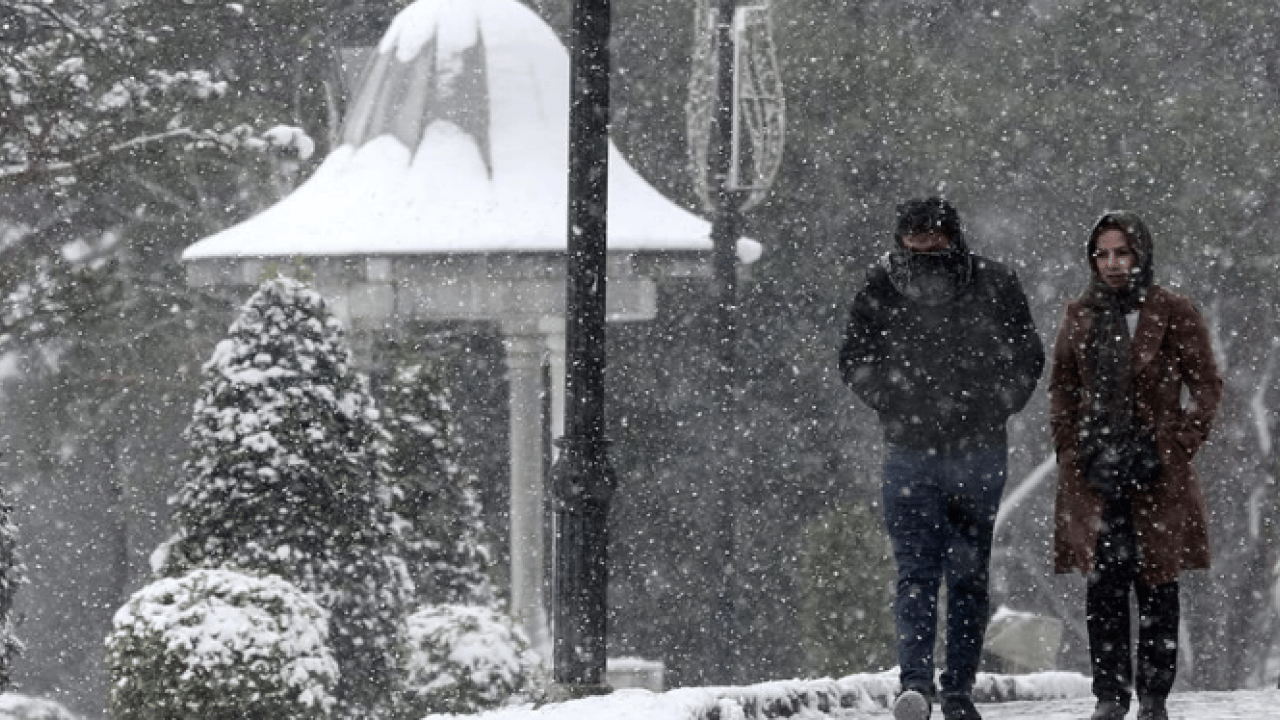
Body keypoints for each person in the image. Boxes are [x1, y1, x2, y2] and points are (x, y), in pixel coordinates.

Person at [839, 197, 1045, 720]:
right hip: (915, 450)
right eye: (916, 241)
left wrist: (989, 404)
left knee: (960, 574)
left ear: (951, 237)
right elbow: (855, 358)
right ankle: (922, 685)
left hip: (971, 450)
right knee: (924, 571)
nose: (924, 251)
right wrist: (898, 399)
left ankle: (952, 688)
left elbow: (1027, 357)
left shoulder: (995, 284)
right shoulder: (882, 287)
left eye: (933, 240)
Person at [1048, 211, 1222, 720]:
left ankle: (1153, 697)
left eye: (1122, 252)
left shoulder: (1172, 310)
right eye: (1102, 254)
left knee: (1157, 585)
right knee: (1104, 586)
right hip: (1096, 471)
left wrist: (1177, 444)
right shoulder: (1080, 314)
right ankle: (1108, 695)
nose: (1112, 264)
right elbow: (1063, 387)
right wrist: (1072, 448)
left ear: (1140, 253)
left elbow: (1207, 385)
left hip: (1156, 472)